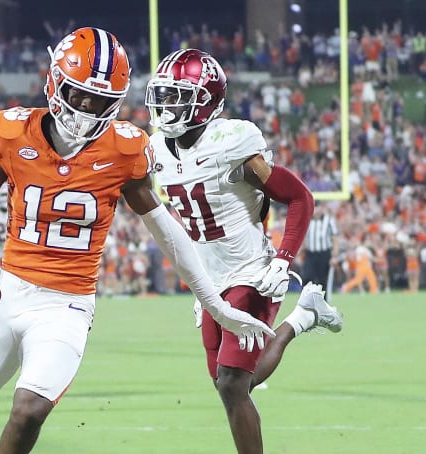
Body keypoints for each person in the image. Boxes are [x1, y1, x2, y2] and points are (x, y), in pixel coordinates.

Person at [0, 28, 274, 453]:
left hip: (67, 305)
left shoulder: (124, 148)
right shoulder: (12, 130)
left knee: (30, 409)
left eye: (99, 100)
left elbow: (167, 231)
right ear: (55, 82)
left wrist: (216, 304)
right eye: (79, 93)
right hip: (7, 295)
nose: (85, 108)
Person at [145, 49, 344, 454]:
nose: (167, 105)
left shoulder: (232, 141)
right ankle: (303, 317)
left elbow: (300, 197)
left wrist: (283, 259)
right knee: (228, 383)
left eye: (178, 96)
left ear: (206, 101)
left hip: (250, 268)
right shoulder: (157, 148)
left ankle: (300, 316)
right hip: (208, 278)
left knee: (234, 385)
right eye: (164, 95)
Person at [303, 201, 340, 297]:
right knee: (307, 277)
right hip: (310, 254)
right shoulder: (306, 220)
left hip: (324, 254)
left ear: (321, 208)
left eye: (317, 207)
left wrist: (334, 256)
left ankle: (324, 303)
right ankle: (308, 301)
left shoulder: (328, 220)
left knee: (322, 280)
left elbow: (335, 239)